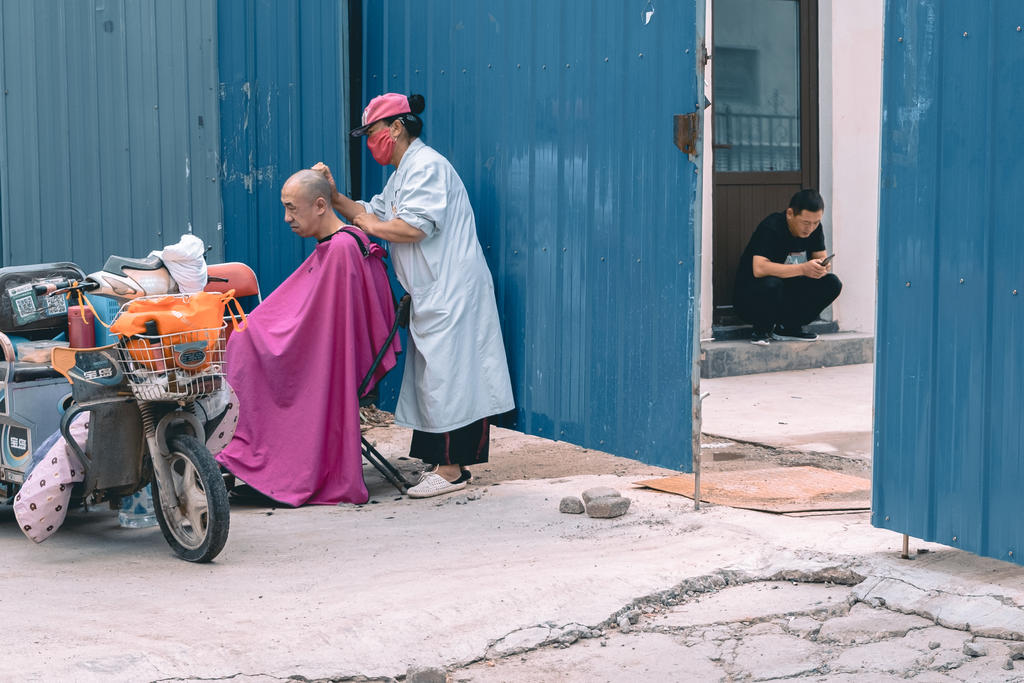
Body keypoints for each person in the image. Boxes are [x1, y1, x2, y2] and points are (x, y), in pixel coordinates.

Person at [313, 92, 514, 499]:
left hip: (451, 289)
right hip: (432, 291)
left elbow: (412, 228)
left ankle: (451, 469)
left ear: (397, 128)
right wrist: (335, 198)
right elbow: (372, 211)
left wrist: (368, 225)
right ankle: (438, 462)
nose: (370, 142)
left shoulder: (428, 168)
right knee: (435, 380)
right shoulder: (405, 172)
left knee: (451, 381)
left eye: (373, 133)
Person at [215, 170, 401, 506]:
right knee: (245, 340)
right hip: (327, 352)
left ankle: (265, 466)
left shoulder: (343, 250)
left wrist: (256, 336)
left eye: (292, 209)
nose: (286, 218)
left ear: (319, 205)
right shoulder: (342, 243)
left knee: (244, 348)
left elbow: (325, 335)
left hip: (330, 366)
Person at [733, 189, 842, 345]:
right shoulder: (771, 227)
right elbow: (759, 269)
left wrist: (821, 268)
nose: (810, 228)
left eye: (816, 222)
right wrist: (803, 269)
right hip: (752, 298)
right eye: (806, 222)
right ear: (790, 213)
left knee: (832, 283)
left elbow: (820, 258)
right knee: (772, 283)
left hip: (787, 295)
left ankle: (788, 328)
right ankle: (761, 330)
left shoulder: (815, 229)